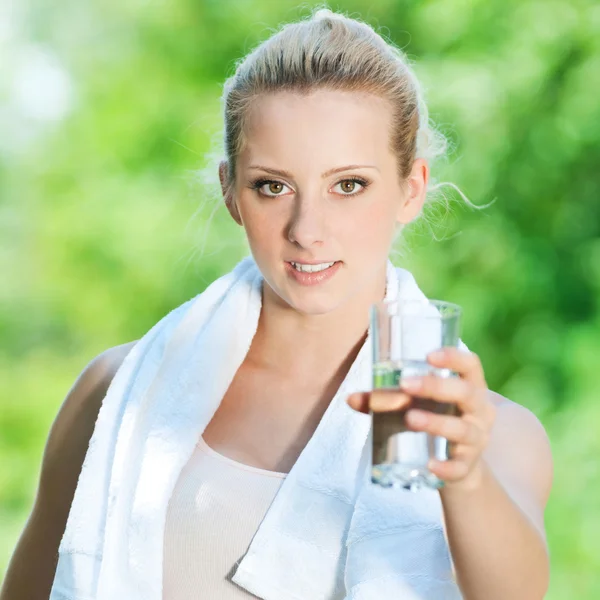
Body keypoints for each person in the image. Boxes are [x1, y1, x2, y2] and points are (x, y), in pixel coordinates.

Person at [0, 8, 553, 600]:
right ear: (231, 192)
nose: (307, 230)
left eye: (348, 185)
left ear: (410, 189)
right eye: (273, 185)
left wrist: (463, 477)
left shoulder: (487, 434)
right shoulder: (116, 394)